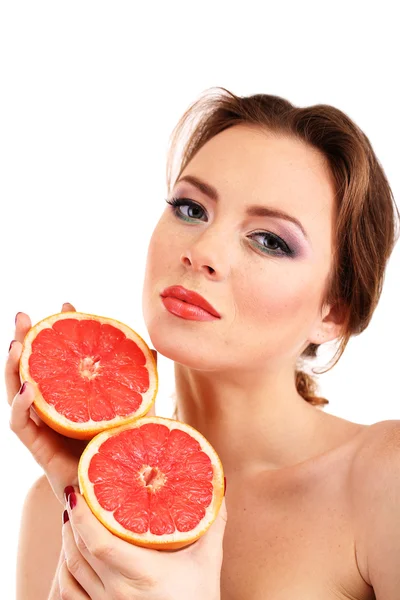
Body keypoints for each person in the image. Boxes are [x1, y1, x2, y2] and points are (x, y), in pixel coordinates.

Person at [6, 86, 400, 599]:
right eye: (191, 208)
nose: (203, 251)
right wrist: (94, 510)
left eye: (269, 240)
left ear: (334, 312)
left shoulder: (383, 480)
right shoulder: (57, 510)